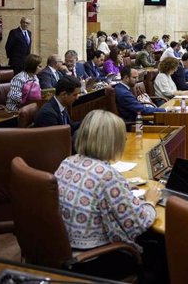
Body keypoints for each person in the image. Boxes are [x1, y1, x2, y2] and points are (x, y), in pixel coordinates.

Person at [55, 110, 161, 263]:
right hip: (93, 258)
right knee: (160, 246)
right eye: (121, 137)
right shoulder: (107, 175)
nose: (124, 139)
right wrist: (150, 201)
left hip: (64, 248)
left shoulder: (68, 161)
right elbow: (138, 224)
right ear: (111, 142)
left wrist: (124, 189)